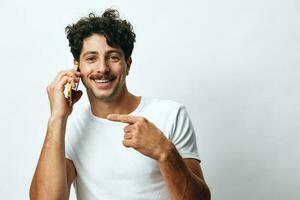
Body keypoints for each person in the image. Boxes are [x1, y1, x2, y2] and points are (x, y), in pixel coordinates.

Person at [29, 8, 211, 200]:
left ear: (128, 64)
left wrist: (165, 153)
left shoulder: (170, 114)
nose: (102, 68)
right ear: (77, 67)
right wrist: (57, 118)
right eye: (91, 58)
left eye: (113, 57)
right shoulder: (69, 128)